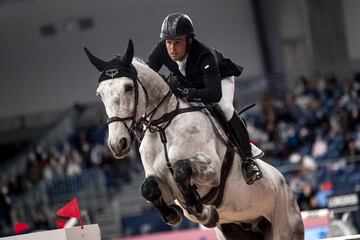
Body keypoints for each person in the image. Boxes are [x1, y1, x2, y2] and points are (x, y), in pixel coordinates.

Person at [146, 13, 262, 184]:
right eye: (168, 42)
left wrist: (184, 91)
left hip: (219, 80)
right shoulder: (162, 49)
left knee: (225, 109)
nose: (171, 48)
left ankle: (248, 160)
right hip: (191, 82)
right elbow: (148, 75)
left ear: (189, 40)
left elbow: (213, 95)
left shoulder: (204, 55)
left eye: (177, 42)